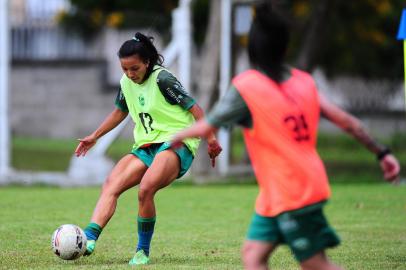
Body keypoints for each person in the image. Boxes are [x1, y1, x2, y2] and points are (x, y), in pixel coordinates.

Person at [171, 2, 401, 270]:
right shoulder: (304, 81)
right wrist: (382, 153)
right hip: (279, 192)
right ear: (284, 46)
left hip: (293, 191)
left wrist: (176, 136)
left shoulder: (248, 86)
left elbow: (208, 124)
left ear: (253, 48)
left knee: (316, 264)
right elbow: (349, 123)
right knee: (253, 255)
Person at [74, 32, 222, 266]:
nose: (130, 75)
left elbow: (196, 110)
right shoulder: (126, 83)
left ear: (146, 62)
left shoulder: (163, 79)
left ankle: (142, 251)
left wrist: (211, 139)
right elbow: (119, 111)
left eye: (135, 68)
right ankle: (89, 239)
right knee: (111, 183)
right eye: (125, 69)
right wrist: (95, 136)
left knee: (145, 190)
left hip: (176, 142)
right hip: (146, 144)